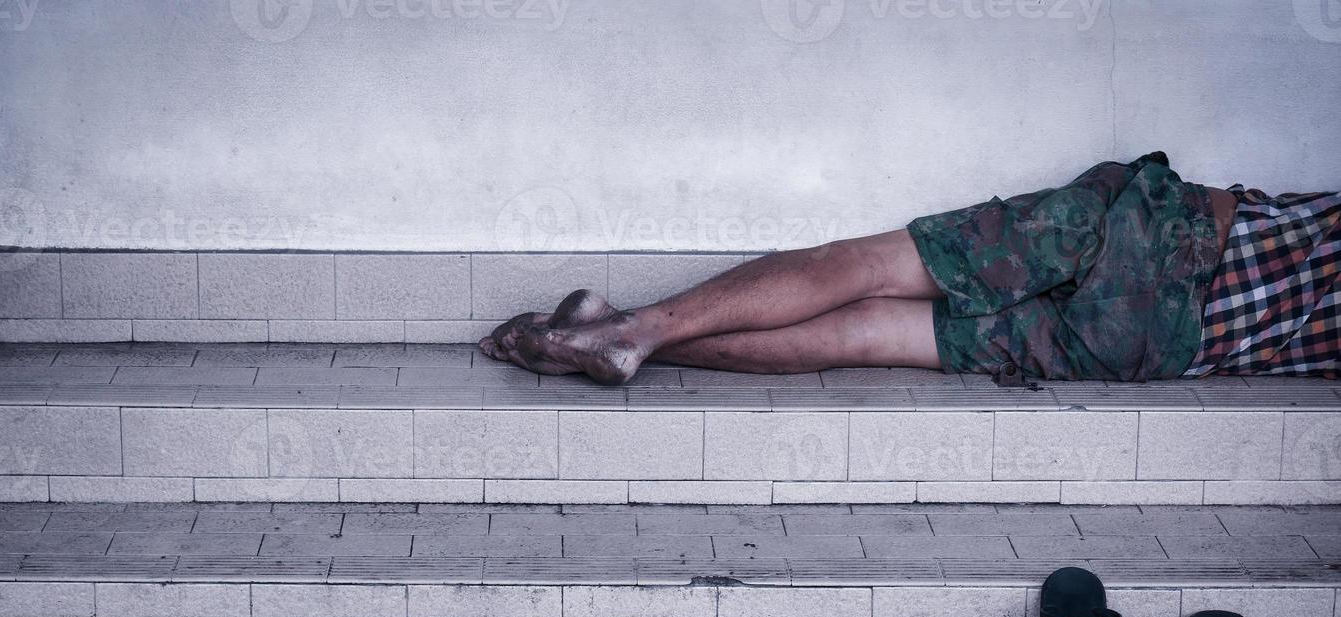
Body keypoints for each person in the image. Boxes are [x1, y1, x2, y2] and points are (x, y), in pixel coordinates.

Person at [480, 152, 1339, 384]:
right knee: (864, 335)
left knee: (858, 267)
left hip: (1165, 232)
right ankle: (617, 342)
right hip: (1158, 340)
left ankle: (627, 328)